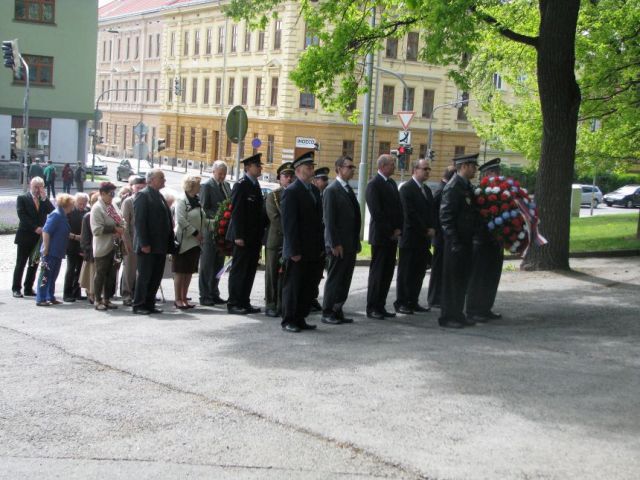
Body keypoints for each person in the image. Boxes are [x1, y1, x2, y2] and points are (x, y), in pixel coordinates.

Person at [280, 151, 324, 333]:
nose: (312, 170)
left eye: (312, 167)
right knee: (293, 286)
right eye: (308, 167)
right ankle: (289, 319)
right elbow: (289, 224)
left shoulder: (314, 190)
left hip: (313, 248)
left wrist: (321, 246)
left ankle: (301, 317)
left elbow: (319, 221)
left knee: (308, 285)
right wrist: (293, 250)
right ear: (298, 170)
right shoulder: (292, 191)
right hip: (298, 249)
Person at [438, 153, 482, 328]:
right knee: (452, 281)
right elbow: (446, 217)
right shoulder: (453, 186)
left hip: (466, 240)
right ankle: (448, 317)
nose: (475, 170)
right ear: (464, 166)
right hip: (455, 242)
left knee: (462, 279)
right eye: (473, 166)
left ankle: (458, 313)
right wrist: (454, 241)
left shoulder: (466, 186)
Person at [321, 155, 360, 325]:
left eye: (353, 167)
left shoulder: (347, 189)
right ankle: (328, 311)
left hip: (349, 244)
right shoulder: (332, 190)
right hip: (338, 245)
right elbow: (329, 220)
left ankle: (338, 309)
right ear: (338, 169)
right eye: (349, 167)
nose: (352, 170)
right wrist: (334, 243)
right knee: (335, 279)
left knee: (345, 278)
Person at [226, 154, 266, 315]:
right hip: (242, 236)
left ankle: (244, 301)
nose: (260, 168)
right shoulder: (241, 185)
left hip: (253, 236)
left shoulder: (255, 185)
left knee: (249, 270)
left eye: (260, 165)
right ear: (248, 167)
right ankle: (234, 302)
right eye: (257, 165)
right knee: (239, 270)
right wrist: (238, 235)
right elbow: (237, 212)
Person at [394, 158, 436, 314]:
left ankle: (413, 301)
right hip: (410, 238)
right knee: (406, 272)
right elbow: (409, 214)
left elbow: (431, 212)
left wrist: (432, 227)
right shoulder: (406, 189)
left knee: (419, 272)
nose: (427, 172)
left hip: (423, 240)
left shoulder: (427, 190)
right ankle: (402, 302)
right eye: (424, 169)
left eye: (428, 169)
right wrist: (426, 229)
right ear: (414, 170)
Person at [466, 158, 504, 322]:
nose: (499, 175)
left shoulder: (500, 193)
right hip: (481, 242)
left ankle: (486, 307)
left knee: (491, 277)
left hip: (495, 243)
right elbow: (475, 219)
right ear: (487, 174)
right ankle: (474, 310)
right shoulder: (478, 193)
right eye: (496, 173)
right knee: (479, 278)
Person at [365, 154, 403, 319]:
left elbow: (399, 208)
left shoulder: (392, 183)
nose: (395, 167)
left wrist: (399, 228)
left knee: (387, 273)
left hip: (393, 236)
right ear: (383, 166)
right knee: (378, 274)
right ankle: (372, 307)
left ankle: (381, 305)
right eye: (392, 164)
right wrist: (390, 231)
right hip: (381, 236)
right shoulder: (374, 184)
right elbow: (377, 212)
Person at [132, 169, 175, 315]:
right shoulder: (143, 195)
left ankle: (149, 303)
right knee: (145, 276)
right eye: (161, 178)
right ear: (151, 180)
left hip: (160, 245)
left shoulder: (159, 195)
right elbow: (140, 221)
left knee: (156, 276)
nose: (164, 180)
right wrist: (144, 243)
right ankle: (139, 304)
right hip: (148, 245)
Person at [173, 175, 213, 309]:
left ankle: (184, 298)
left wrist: (218, 223)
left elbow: (203, 220)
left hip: (195, 243)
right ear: (192, 185)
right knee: (180, 271)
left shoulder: (197, 200)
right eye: (198, 185)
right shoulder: (182, 200)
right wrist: (195, 233)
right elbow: (181, 220)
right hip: (184, 241)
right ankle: (178, 299)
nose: (200, 187)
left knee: (189, 271)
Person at [12, 177, 54, 298]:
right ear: (31, 185)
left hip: (38, 238)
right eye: (36, 187)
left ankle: (28, 287)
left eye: (40, 187)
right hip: (25, 235)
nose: (37, 190)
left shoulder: (43, 200)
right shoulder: (22, 198)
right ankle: (16, 288)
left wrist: (45, 198)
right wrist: (35, 228)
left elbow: (52, 211)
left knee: (34, 263)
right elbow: (22, 216)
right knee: (21, 263)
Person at [264, 162, 294, 317]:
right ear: (279, 179)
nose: (289, 179)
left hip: (291, 242)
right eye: (285, 176)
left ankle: (283, 303)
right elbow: (275, 219)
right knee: (272, 273)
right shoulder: (273, 196)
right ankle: (270, 303)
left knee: (287, 274)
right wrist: (291, 233)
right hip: (276, 241)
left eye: (291, 176)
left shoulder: (296, 194)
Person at [199, 160, 231, 306]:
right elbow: (204, 209)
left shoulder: (226, 185)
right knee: (207, 264)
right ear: (213, 172)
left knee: (219, 265)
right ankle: (205, 294)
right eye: (220, 174)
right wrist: (219, 216)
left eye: (224, 174)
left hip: (223, 232)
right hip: (211, 230)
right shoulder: (206, 186)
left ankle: (214, 292)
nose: (222, 176)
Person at [91, 182, 126, 311]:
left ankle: (107, 298)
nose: (112, 196)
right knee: (100, 274)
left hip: (114, 246)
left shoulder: (112, 206)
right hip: (102, 246)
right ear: (103, 193)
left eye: (113, 193)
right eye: (110, 193)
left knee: (111, 274)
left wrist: (122, 227)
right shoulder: (97, 208)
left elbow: (121, 220)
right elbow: (97, 229)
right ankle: (97, 299)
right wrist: (115, 229)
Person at [36, 193, 75, 306]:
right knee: (45, 275)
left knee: (53, 276)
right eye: (72, 204)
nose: (73, 206)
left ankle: (50, 296)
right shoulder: (56, 215)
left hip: (58, 251)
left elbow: (63, 231)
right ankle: (41, 298)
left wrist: (75, 237)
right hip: (50, 251)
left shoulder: (63, 215)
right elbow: (46, 231)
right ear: (66, 204)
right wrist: (46, 248)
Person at [427, 165, 457, 309]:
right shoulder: (441, 190)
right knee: (438, 269)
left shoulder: (442, 188)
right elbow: (435, 214)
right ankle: (434, 298)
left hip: (441, 236)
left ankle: (438, 297)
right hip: (440, 237)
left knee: (441, 268)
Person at [120, 175, 146, 306]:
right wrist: (127, 243)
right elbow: (124, 225)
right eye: (138, 187)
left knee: (141, 271)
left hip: (144, 242)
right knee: (129, 270)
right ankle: (127, 294)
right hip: (131, 241)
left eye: (143, 187)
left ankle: (139, 294)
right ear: (132, 188)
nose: (140, 190)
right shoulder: (128, 202)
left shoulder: (146, 200)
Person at [309, 166, 330, 312]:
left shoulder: (324, 193)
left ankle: (313, 297)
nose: (326, 182)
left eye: (326, 179)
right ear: (315, 181)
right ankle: (308, 298)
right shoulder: (312, 194)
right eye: (323, 179)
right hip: (314, 239)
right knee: (311, 271)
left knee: (318, 272)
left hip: (323, 239)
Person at [63, 192, 90, 302]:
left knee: (80, 269)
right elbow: (64, 229)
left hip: (83, 245)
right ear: (75, 202)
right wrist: (75, 237)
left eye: (84, 204)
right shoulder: (70, 212)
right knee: (70, 269)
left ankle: (76, 292)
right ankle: (67, 293)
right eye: (79, 203)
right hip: (72, 244)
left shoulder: (88, 211)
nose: (82, 206)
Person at [79, 193, 99, 304]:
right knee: (91, 274)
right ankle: (91, 294)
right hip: (91, 250)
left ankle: (96, 294)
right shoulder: (88, 216)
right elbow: (85, 236)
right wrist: (87, 249)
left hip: (100, 249)